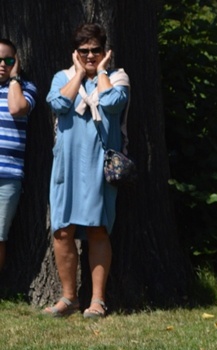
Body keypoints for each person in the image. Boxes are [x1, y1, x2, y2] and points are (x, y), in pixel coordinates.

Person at [44, 23, 130, 318]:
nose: (90, 55)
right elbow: (57, 103)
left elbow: (113, 103)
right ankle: (69, 298)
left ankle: (97, 300)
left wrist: (101, 73)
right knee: (62, 231)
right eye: (84, 51)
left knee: (98, 228)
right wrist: (80, 73)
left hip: (98, 164)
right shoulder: (63, 77)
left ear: (105, 51)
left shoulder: (118, 77)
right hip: (66, 165)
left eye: (96, 50)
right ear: (76, 52)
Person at [0, 38, 37, 272]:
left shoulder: (25, 88)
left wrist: (14, 79)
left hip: (8, 174)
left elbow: (17, 109)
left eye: (8, 60)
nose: (2, 64)